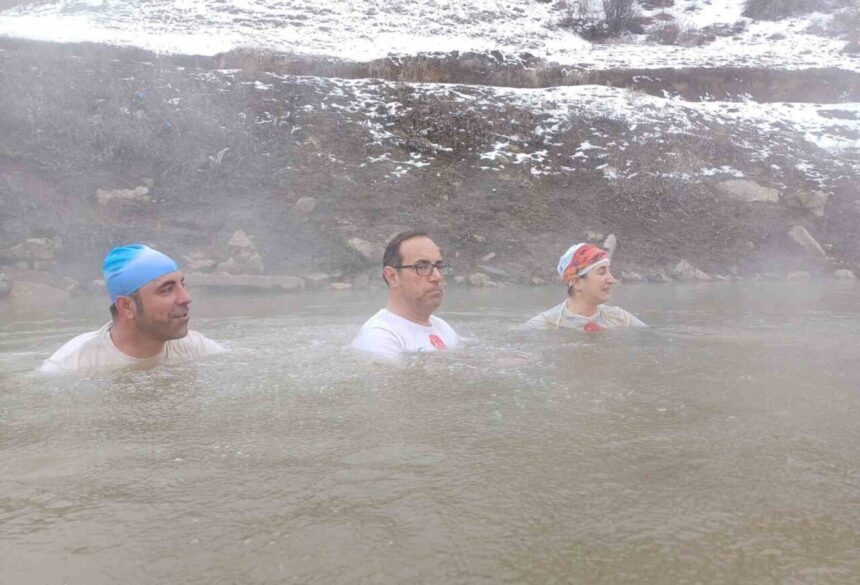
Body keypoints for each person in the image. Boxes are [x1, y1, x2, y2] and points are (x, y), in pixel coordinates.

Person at [40, 244, 223, 374]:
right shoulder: (69, 367)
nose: (186, 298)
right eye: (167, 290)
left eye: (182, 285)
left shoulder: (198, 349)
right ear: (126, 306)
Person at [352, 230, 460, 361]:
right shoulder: (379, 337)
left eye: (439, 266)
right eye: (421, 267)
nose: (437, 277)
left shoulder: (443, 327)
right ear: (392, 277)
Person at [522, 242, 646, 331]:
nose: (611, 280)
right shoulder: (545, 324)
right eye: (601, 272)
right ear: (577, 283)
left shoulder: (621, 318)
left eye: (609, 271)